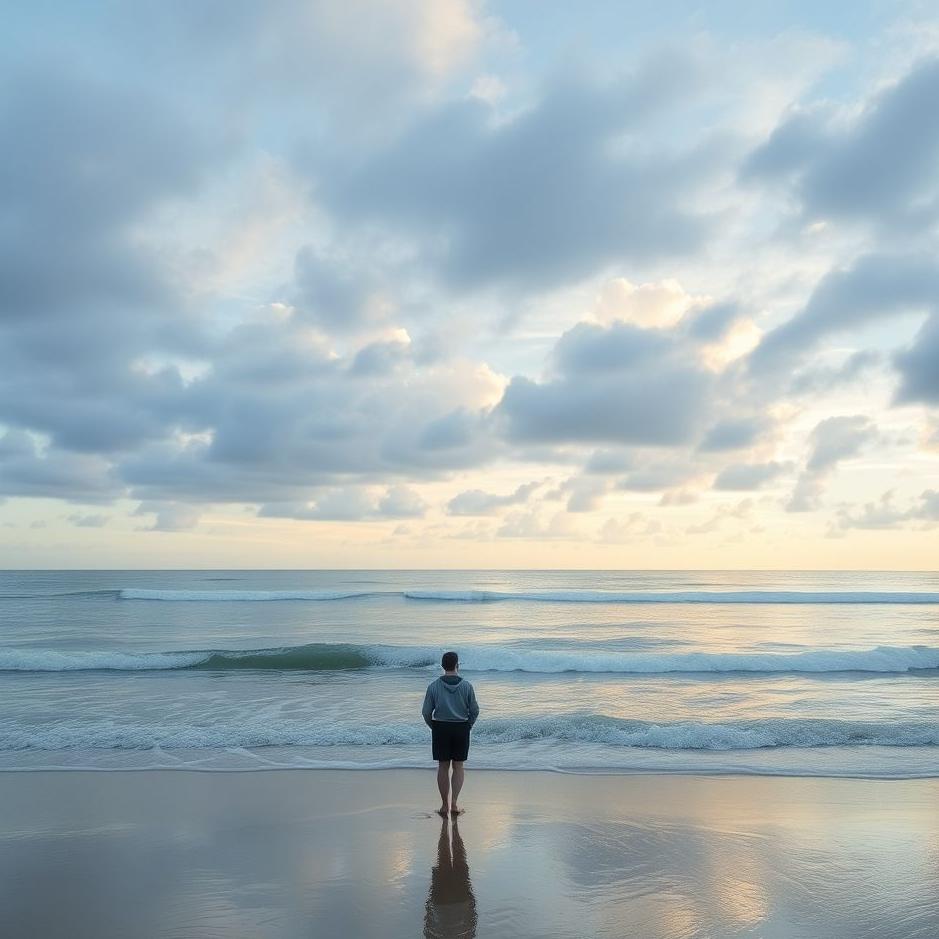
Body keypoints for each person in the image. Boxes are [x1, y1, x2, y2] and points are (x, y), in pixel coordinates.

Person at [422, 651, 479, 817]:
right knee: (458, 766)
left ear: (442, 666)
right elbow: (474, 710)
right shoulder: (467, 686)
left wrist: (433, 726)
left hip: (440, 727)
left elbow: (426, 712)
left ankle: (444, 805)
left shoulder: (433, 686)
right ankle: (454, 803)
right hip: (461, 727)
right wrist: (468, 725)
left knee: (443, 766)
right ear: (457, 665)